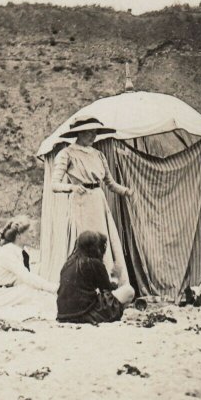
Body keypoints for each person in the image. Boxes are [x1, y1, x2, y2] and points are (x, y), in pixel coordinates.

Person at [51, 117, 133, 288]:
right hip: (80, 202)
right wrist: (72, 188)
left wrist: (125, 191)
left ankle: (107, 282)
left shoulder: (98, 155)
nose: (92, 136)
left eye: (95, 132)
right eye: (89, 132)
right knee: (85, 241)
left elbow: (110, 183)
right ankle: (83, 284)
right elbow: (54, 184)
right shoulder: (67, 153)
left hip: (98, 200)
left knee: (102, 241)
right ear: (79, 133)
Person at [0, 216, 59, 321]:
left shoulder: (23, 251)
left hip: (12, 291)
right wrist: (53, 287)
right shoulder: (7, 252)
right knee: (34, 294)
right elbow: (26, 276)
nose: (33, 235)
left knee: (41, 295)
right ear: (18, 235)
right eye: (30, 232)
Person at [57, 231, 135, 324]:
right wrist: (117, 277)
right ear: (95, 247)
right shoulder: (94, 263)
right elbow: (107, 290)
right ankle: (114, 316)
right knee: (129, 291)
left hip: (63, 315)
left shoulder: (68, 263)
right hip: (85, 314)